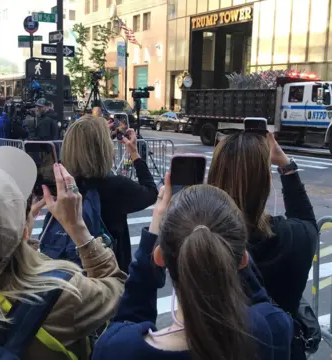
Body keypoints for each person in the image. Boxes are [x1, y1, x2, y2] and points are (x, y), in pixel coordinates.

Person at [0, 146, 126, 360]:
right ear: (26, 230)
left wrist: (19, 234)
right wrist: (78, 228)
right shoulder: (61, 292)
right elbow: (117, 289)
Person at [92, 178, 294, 360]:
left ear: (159, 258)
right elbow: (261, 301)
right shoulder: (269, 332)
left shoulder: (117, 350)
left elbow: (127, 322)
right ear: (243, 262)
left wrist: (154, 228)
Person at [207, 131, 319, 358]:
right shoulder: (295, 237)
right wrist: (287, 167)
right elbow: (307, 221)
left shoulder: (202, 241)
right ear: (267, 182)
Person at [43, 115, 158, 272]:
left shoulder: (63, 185)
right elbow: (151, 192)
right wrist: (134, 154)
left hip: (69, 275)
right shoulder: (117, 186)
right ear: (104, 148)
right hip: (109, 276)